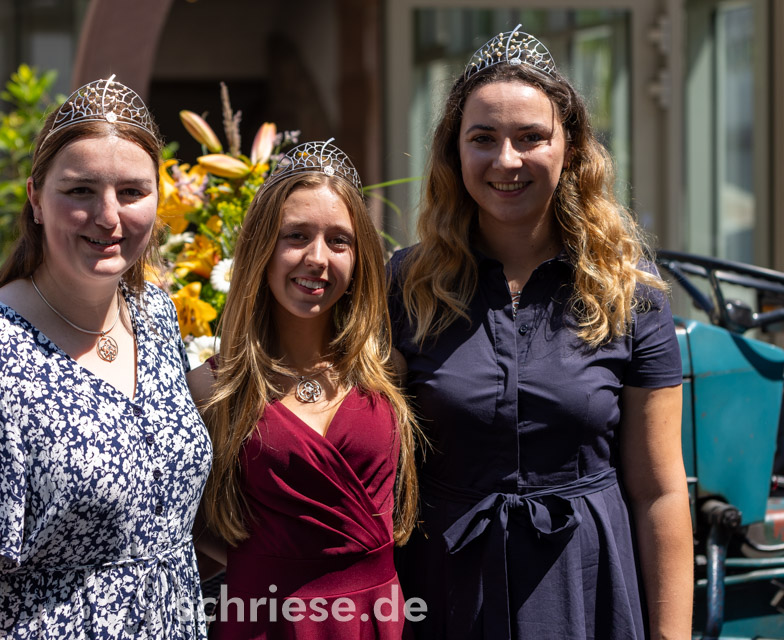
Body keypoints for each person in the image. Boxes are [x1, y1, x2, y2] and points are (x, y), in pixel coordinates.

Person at [387, 26, 693, 640]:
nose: (507, 160)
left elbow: (660, 491)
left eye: (531, 138)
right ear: (455, 152)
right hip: (448, 588)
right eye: (484, 139)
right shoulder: (408, 283)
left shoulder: (627, 289)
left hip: (589, 584)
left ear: (571, 149)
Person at [0, 76, 212, 639]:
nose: (109, 216)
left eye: (133, 192)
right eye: (80, 191)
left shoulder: (154, 314)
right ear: (35, 199)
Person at [188, 140, 419, 639]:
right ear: (260, 247)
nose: (317, 258)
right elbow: (187, 522)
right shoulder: (215, 387)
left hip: (377, 620)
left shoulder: (389, 374)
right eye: (296, 236)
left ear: (359, 259)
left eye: (340, 241)